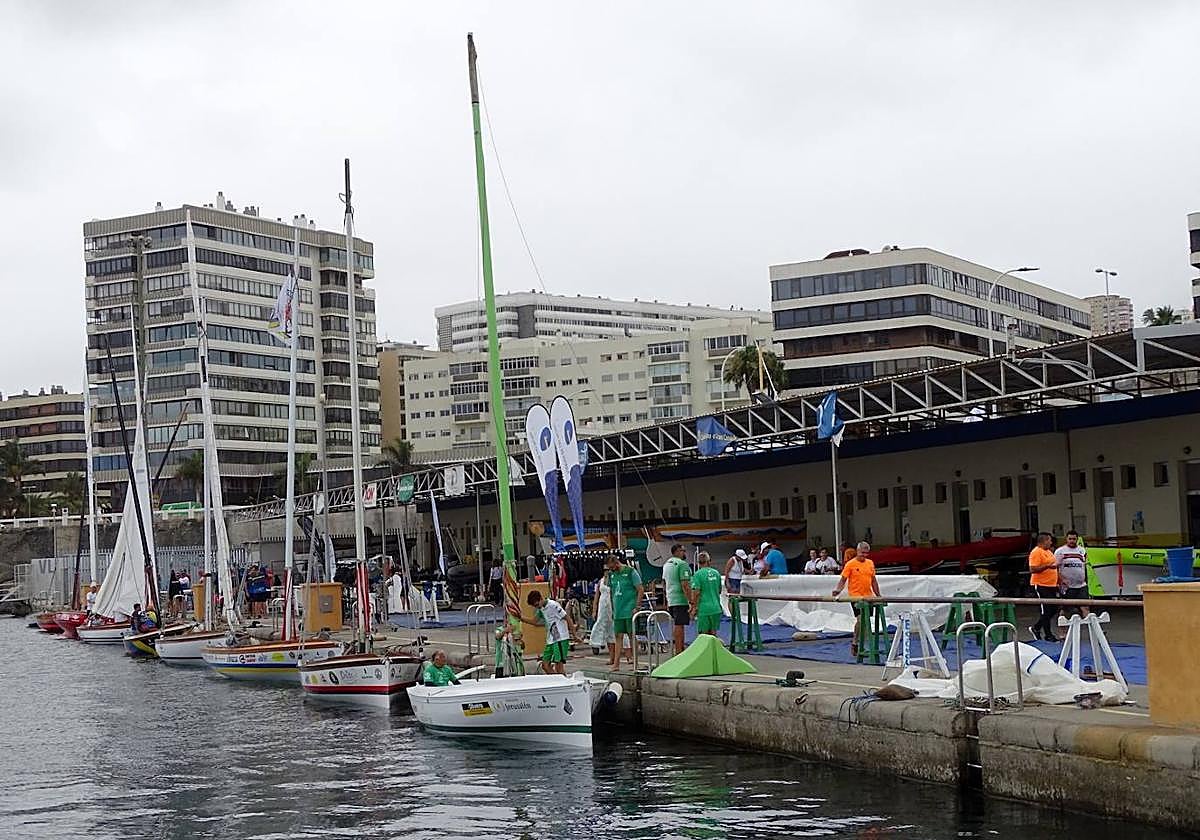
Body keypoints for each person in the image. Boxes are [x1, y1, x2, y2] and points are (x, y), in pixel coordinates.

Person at [832, 541, 881, 657]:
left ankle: (861, 644)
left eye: (866, 553)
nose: (864, 555)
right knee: (860, 619)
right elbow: (843, 580)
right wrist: (838, 590)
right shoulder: (850, 564)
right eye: (862, 553)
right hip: (855, 596)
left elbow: (873, 580)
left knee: (866, 621)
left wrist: (878, 595)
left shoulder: (870, 563)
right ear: (857, 551)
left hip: (868, 596)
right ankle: (855, 642)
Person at [522, 589, 576, 675]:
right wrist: (521, 618)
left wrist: (574, 635)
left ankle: (562, 682)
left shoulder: (553, 605)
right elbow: (534, 621)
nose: (537, 607)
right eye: (535, 606)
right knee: (545, 665)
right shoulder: (541, 609)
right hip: (551, 639)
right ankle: (557, 680)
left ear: (541, 598)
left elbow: (567, 618)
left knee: (559, 666)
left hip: (560, 638)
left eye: (537, 605)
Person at [605, 554, 643, 671]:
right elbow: (611, 593)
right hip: (618, 610)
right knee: (618, 636)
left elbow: (640, 589)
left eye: (612, 567)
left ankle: (636, 662)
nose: (611, 569)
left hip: (629, 609)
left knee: (632, 635)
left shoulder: (631, 572)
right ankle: (616, 664)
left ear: (617, 563)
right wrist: (612, 609)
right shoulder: (612, 575)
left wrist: (637, 606)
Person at [1028, 532, 1061, 641]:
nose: (1051, 543)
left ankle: (1037, 627)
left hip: (1051, 584)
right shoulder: (1036, 552)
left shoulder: (1049, 552)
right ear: (1044, 541)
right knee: (1046, 609)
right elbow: (1033, 569)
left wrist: (1059, 579)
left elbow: (1054, 567)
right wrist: (1047, 566)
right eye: (1049, 540)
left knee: (1054, 608)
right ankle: (1048, 634)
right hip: (1041, 584)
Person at [663, 543, 693, 655]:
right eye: (682, 550)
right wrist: (691, 601)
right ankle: (679, 650)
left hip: (671, 598)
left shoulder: (667, 564)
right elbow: (685, 584)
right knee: (679, 625)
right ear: (676, 552)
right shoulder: (682, 564)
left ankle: (679, 647)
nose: (684, 553)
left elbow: (665, 583)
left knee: (677, 624)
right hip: (680, 599)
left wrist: (666, 599)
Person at [1055, 530, 1089, 618]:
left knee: (1085, 607)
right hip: (1067, 586)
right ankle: (1062, 631)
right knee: (1065, 610)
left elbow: (1085, 566)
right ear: (1066, 539)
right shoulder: (1060, 551)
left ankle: (1091, 629)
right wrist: (1061, 580)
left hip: (1081, 585)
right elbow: (1055, 569)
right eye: (1070, 539)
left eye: (1074, 539)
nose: (1072, 541)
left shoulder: (1082, 550)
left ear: (1077, 539)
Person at [690, 552, 723, 637]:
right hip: (716, 607)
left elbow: (696, 592)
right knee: (713, 635)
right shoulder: (716, 573)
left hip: (704, 609)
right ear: (709, 561)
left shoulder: (697, 575)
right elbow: (719, 590)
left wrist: (693, 607)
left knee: (703, 635)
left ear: (698, 562)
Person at [589, 573, 616, 658]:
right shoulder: (600, 581)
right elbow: (596, 597)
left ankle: (616, 647)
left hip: (612, 604)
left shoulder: (614, 580)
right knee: (600, 622)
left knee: (613, 625)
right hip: (602, 604)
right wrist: (594, 610)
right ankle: (596, 643)